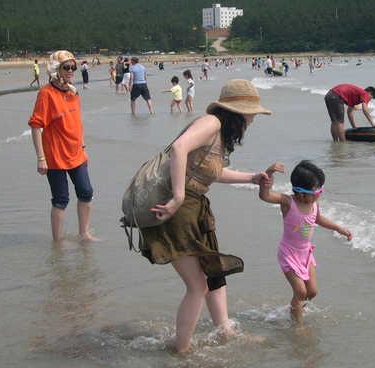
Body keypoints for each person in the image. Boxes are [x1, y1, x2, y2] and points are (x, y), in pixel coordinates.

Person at [141, 79, 272, 353]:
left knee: (213, 274)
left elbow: (209, 172)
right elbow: (179, 149)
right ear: (238, 111)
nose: (253, 118)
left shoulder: (218, 133)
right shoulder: (211, 123)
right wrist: (177, 197)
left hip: (193, 206)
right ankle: (182, 349)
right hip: (177, 207)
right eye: (251, 112)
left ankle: (224, 330)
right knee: (197, 285)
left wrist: (251, 177)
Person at [259, 160, 352, 323]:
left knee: (312, 292)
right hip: (288, 254)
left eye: (321, 190)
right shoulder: (288, 203)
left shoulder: (314, 205)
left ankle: (295, 308)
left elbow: (319, 219)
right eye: (317, 191)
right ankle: (297, 322)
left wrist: (338, 228)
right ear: (301, 193)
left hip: (305, 253)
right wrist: (269, 173)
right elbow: (265, 195)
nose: (320, 194)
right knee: (301, 292)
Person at [28, 50, 97, 243]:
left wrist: (83, 146)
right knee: (61, 200)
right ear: (55, 69)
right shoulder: (46, 94)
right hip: (55, 157)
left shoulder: (73, 92)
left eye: (73, 67)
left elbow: (77, 122)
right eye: (66, 67)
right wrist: (41, 158)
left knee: (86, 192)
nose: (71, 71)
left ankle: (84, 233)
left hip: (77, 154)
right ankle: (57, 242)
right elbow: (36, 126)